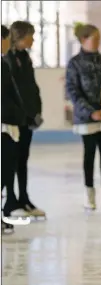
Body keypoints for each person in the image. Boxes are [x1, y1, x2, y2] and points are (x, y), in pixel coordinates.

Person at [66, 23, 101, 211]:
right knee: (89, 155)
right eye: (95, 38)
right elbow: (72, 91)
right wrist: (90, 111)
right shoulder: (75, 63)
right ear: (84, 40)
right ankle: (89, 192)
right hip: (86, 118)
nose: (99, 42)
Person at [4, 21, 46, 219]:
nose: (34, 39)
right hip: (15, 119)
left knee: (22, 160)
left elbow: (31, 88)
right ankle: (10, 200)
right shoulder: (9, 59)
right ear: (20, 36)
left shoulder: (24, 57)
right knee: (11, 160)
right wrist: (22, 114)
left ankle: (23, 198)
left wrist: (36, 112)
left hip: (27, 118)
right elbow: (13, 93)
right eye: (31, 35)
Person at [1, 24, 29, 234]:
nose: (8, 43)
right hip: (5, 125)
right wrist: (20, 115)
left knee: (7, 171)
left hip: (9, 125)